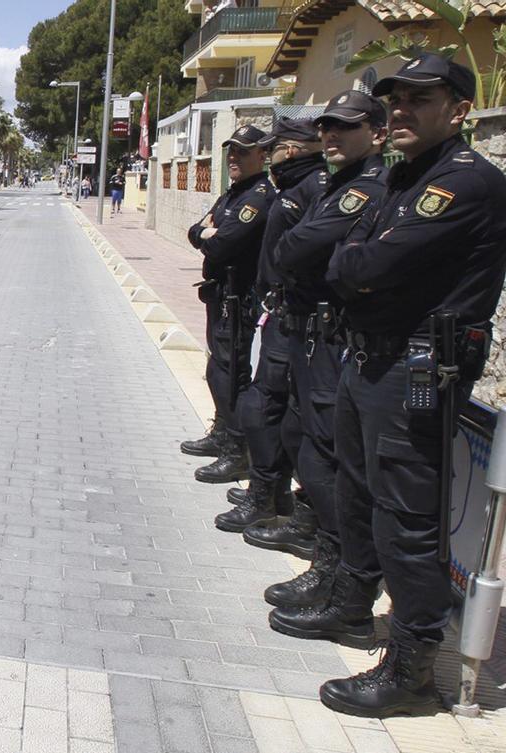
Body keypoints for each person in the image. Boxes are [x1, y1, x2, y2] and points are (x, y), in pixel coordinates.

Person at [285, 54, 506, 718]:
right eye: (397, 99)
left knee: (407, 519)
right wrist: (358, 262)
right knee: (357, 490)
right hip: (370, 359)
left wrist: (357, 261)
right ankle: (353, 603)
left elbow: (363, 262)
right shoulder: (407, 179)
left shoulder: (464, 183)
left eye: (421, 98)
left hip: (414, 374)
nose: (403, 109)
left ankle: (410, 667)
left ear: (460, 110)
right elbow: (350, 262)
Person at [263, 92, 388, 611]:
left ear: (376, 133)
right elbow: (295, 247)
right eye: (327, 126)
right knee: (308, 442)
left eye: (345, 126)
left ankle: (339, 575)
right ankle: (323, 551)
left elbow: (298, 248)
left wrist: (300, 245)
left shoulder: (366, 188)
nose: (331, 135)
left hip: (336, 336)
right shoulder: (339, 183)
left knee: (326, 456)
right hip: (315, 331)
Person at [215, 118, 327, 534]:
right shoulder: (291, 189)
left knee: (271, 410)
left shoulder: (313, 190)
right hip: (280, 313)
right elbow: (208, 235)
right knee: (265, 407)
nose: (268, 154)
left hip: (298, 317)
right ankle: (268, 491)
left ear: (291, 150)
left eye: (272, 147)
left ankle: (274, 500)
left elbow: (297, 251)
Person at [182, 125, 273, 484]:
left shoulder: (259, 196)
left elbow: (222, 245)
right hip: (220, 294)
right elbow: (195, 232)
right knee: (218, 369)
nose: (234, 158)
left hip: (239, 298)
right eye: (231, 151)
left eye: (242, 152)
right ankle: (222, 432)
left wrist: (209, 234)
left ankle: (238, 451)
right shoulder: (233, 195)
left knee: (231, 372)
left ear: (261, 155)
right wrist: (204, 232)